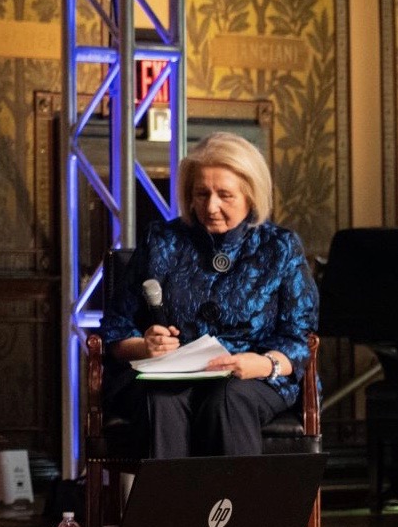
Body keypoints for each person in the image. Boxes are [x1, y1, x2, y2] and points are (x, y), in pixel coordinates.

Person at [100, 132, 318, 459]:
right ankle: (171, 510)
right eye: (202, 194)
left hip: (251, 376)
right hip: (169, 376)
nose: (211, 207)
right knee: (162, 400)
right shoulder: (161, 240)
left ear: (251, 195)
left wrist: (262, 363)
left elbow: (299, 338)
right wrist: (145, 346)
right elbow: (116, 329)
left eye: (225, 195)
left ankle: (238, 510)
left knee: (228, 399)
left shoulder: (280, 247)